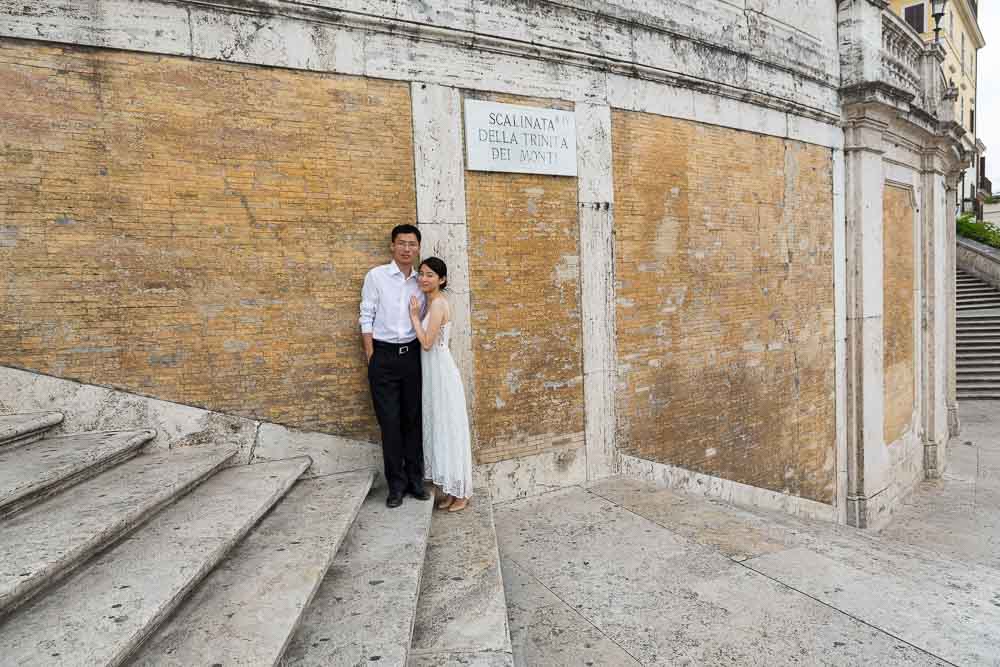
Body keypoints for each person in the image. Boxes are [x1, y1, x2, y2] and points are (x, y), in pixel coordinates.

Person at [359, 224, 429, 508]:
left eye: (412, 244)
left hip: (412, 356)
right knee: (390, 424)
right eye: (401, 243)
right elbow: (366, 315)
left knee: (413, 420)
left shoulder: (421, 280)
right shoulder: (376, 276)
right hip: (384, 357)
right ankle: (396, 486)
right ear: (392, 246)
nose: (406, 249)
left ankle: (416, 481)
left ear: (418, 247)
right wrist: (372, 357)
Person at [409, 257, 473, 512]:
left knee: (450, 430)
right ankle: (450, 491)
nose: (424, 278)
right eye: (422, 274)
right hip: (433, 371)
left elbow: (426, 342)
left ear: (442, 279)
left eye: (430, 275)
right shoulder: (431, 302)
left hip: (442, 373)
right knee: (441, 430)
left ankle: (462, 493)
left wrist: (414, 317)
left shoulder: (437, 305)